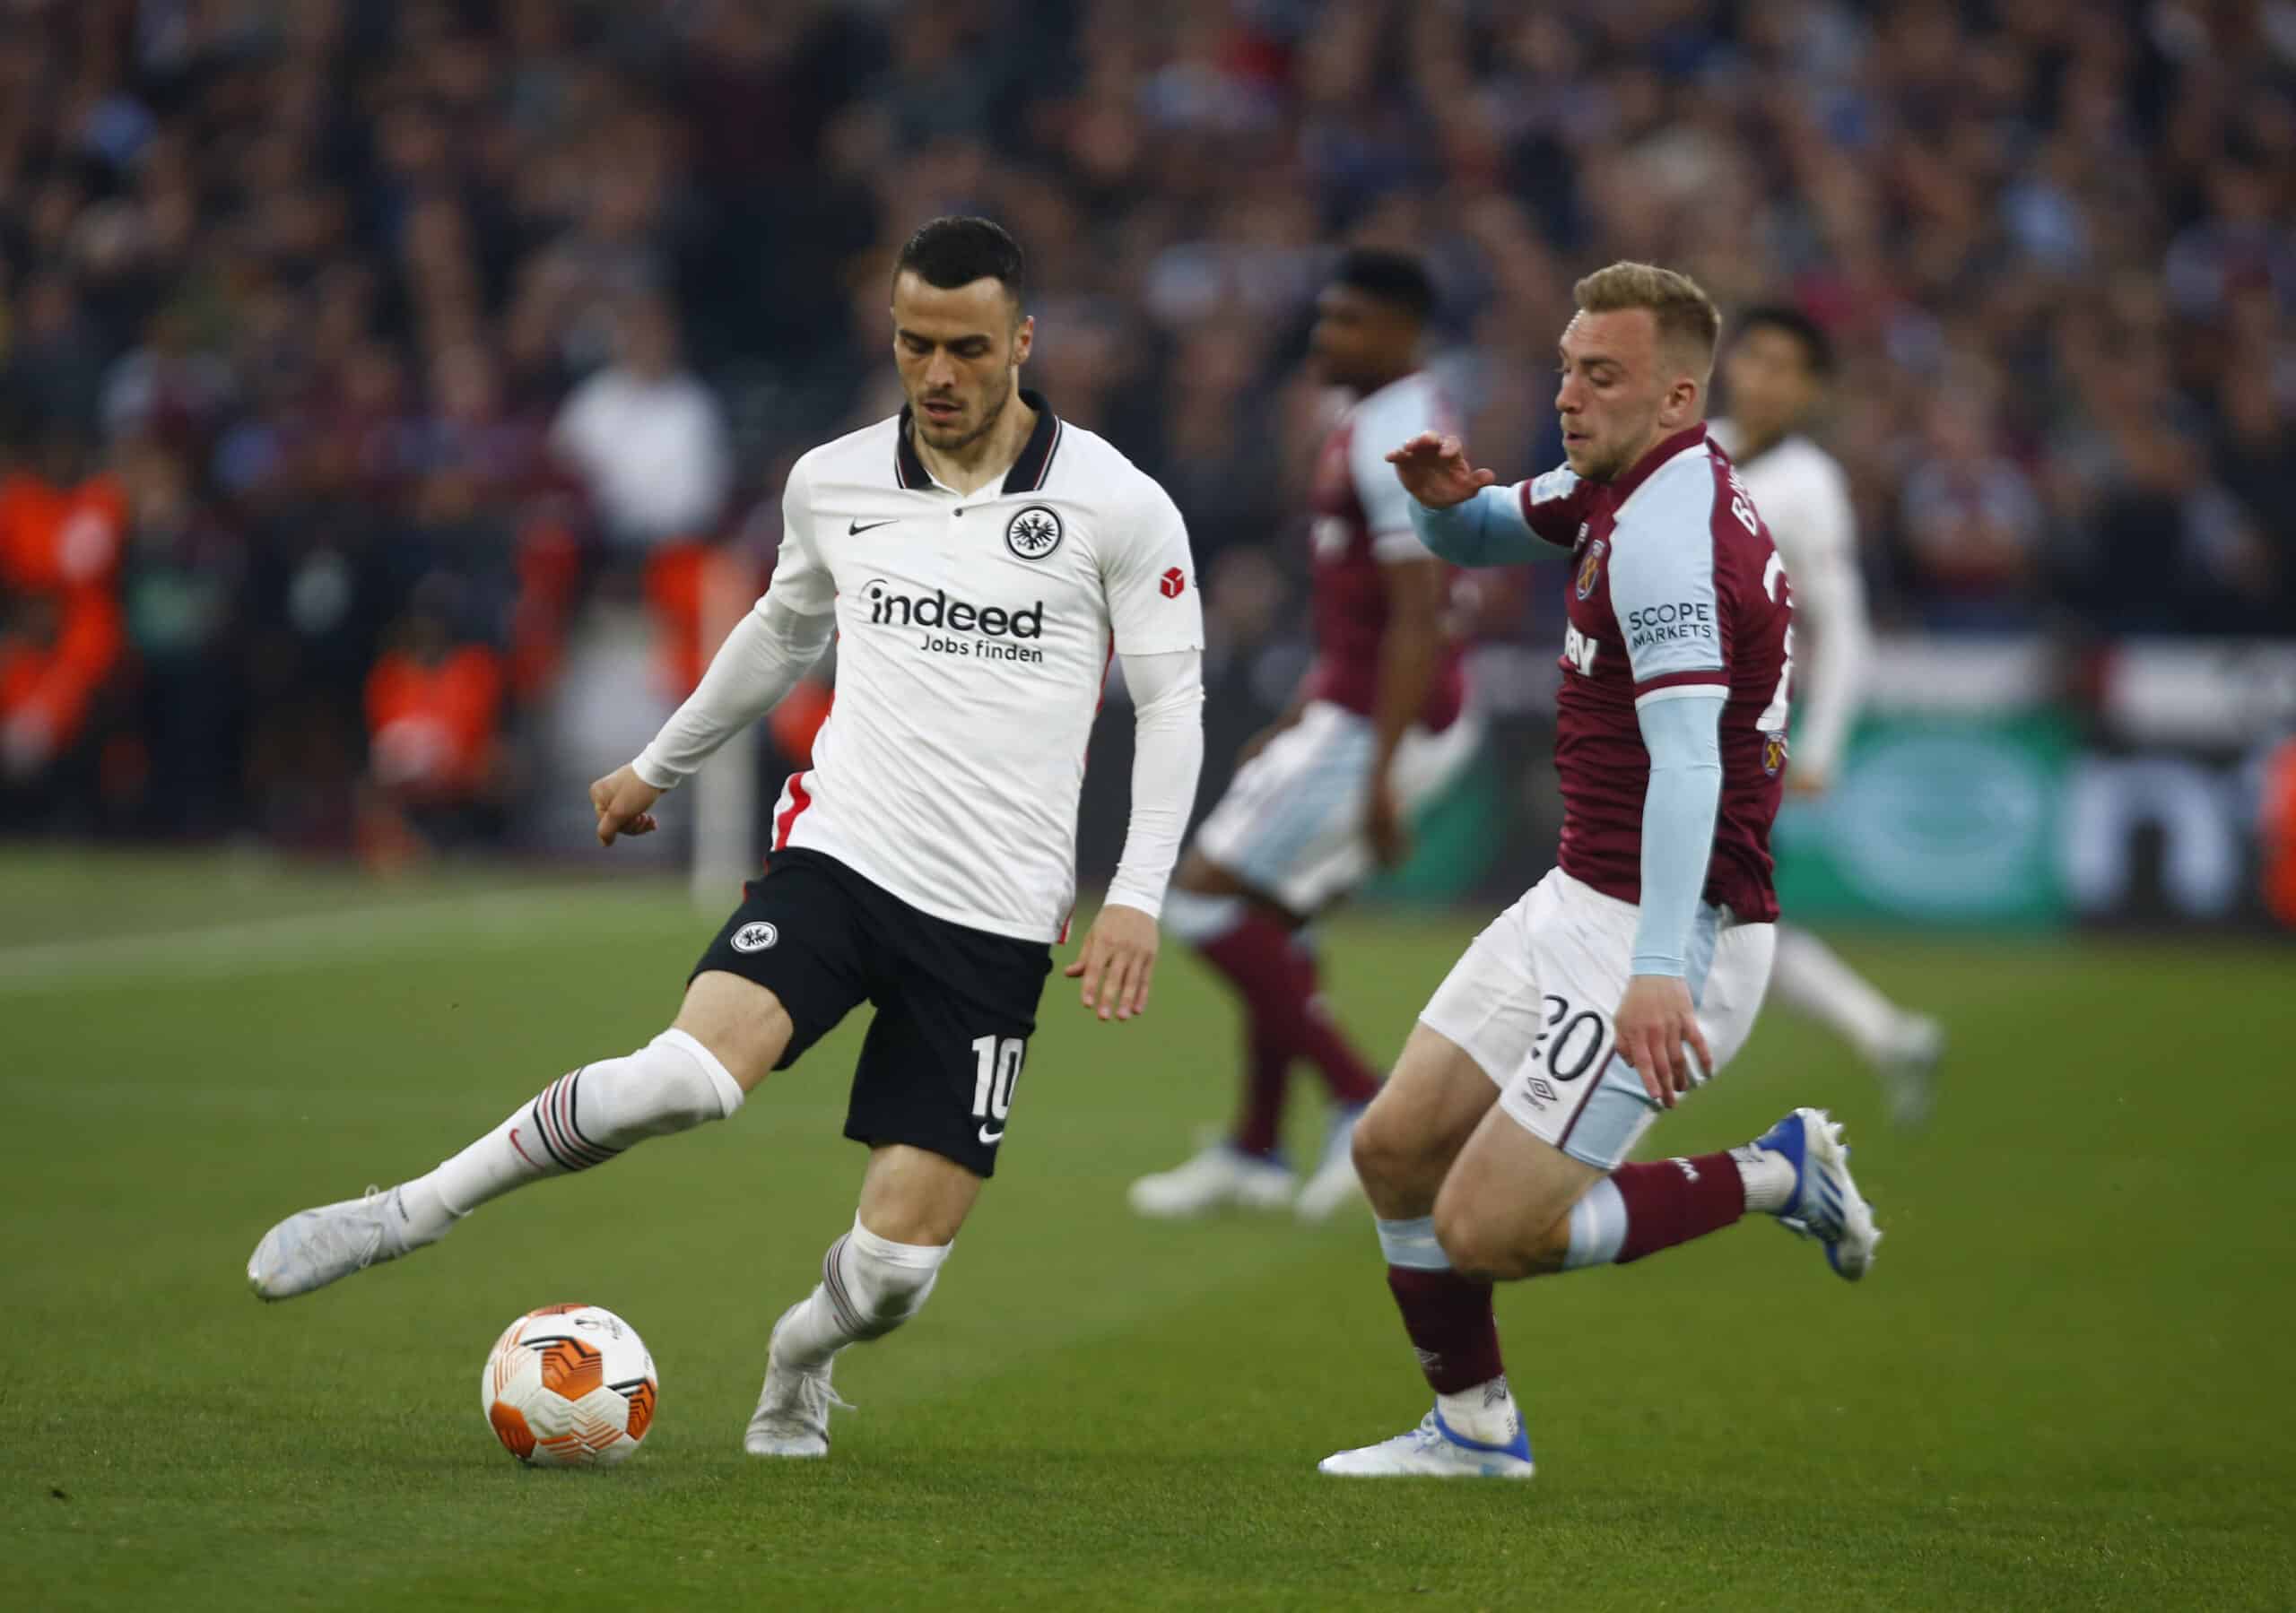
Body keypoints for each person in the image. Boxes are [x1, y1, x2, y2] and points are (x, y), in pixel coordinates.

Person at [247, 217, 1207, 1461]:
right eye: (914, 343)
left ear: (1022, 341)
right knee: (683, 1078)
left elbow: (1173, 703)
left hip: (995, 915)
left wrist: (1136, 893)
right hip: (844, 856)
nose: (938, 373)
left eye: (968, 347)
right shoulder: (834, 480)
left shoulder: (1117, 503)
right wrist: (660, 763)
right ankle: (407, 1211)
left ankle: (800, 1355)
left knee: (894, 1278)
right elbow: (780, 630)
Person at [1317, 263, 1880, 1480]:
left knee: (1486, 1226)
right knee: (1393, 1150)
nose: (1568, 394)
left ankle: (1772, 1172)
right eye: (1568, 367)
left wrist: (1658, 966)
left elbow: (1689, 763)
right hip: (1580, 893)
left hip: (1672, 930)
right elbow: (1483, 526)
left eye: (1601, 375)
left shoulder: (1670, 539)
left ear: (1677, 395)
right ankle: (1473, 1427)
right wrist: (1435, 503)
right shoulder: (1621, 478)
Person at [1130, 250, 1481, 1223]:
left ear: (1403, 332)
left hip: (1380, 719)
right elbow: (1364, 610)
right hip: (1351, 707)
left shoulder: (1397, 434)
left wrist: (1377, 770)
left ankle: (1363, 1099)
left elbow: (1417, 614)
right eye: (1325, 318)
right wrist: (1299, 717)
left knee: (1200, 900)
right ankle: (1256, 1149)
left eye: (1349, 321)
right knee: (1269, 920)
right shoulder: (1372, 419)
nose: (1326, 337)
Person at [1711, 307, 1944, 1125]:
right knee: (1724, 913)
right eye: (1753, 358)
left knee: (1678, 906)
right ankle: (1888, 1033)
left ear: (1811, 389)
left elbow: (1842, 628)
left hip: (1736, 733)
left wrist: (1821, 747)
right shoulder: (1694, 450)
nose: (1762, 379)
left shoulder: (1810, 486)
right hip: (1655, 717)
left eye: (1785, 367)